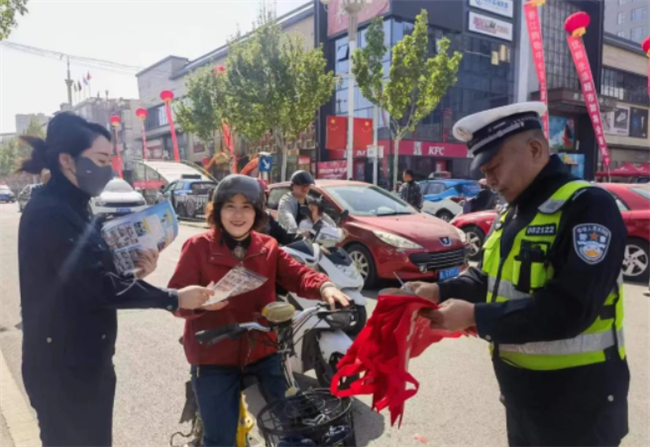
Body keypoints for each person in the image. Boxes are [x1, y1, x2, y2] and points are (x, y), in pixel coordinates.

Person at [406, 102, 629, 447]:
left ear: (535, 149)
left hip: (579, 405)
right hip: (524, 397)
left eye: (494, 167)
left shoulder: (587, 206)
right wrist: (438, 291)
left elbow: (572, 308)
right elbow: (487, 280)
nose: (489, 180)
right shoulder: (512, 213)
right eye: (485, 170)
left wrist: (475, 316)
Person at [17, 113, 213, 447]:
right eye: (100, 160)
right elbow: (95, 287)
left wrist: (134, 273)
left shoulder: (76, 207)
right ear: (67, 160)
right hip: (62, 370)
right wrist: (174, 298)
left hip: (87, 362)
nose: (108, 170)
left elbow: (84, 278)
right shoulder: (51, 213)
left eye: (110, 160)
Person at [168, 174, 350, 447]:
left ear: (257, 212)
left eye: (246, 207)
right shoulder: (197, 247)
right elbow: (176, 297)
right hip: (213, 354)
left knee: (294, 426)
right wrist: (197, 303)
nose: (238, 215)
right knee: (219, 440)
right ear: (217, 211)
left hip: (263, 349)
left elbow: (298, 274)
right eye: (230, 206)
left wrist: (325, 286)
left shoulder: (268, 246)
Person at [277, 170, 314, 234]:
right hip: (289, 237)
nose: (305, 188)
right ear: (293, 186)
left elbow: (321, 216)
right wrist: (297, 232)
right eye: (302, 185)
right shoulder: (286, 201)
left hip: (309, 237)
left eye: (307, 185)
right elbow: (288, 218)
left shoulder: (310, 200)